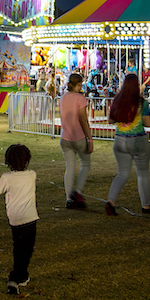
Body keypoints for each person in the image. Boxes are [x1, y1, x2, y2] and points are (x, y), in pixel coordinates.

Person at [0, 144, 38, 296]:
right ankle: (16, 278)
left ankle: (20, 275)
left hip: (15, 219)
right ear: (27, 159)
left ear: (8, 161)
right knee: (27, 249)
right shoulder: (32, 175)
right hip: (30, 218)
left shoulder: (6, 178)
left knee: (18, 247)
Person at [106, 73, 150, 215]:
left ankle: (111, 201)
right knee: (143, 174)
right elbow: (148, 123)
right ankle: (145, 205)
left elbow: (110, 120)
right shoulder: (142, 103)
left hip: (120, 139)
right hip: (138, 139)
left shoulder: (117, 100)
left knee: (122, 174)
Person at [59, 73, 92, 209]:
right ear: (77, 85)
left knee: (70, 168)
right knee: (85, 164)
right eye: (80, 85)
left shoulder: (63, 98)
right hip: (78, 137)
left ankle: (68, 199)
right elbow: (83, 120)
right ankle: (77, 192)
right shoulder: (80, 99)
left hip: (65, 137)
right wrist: (89, 139)